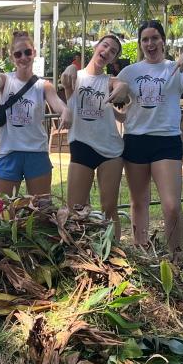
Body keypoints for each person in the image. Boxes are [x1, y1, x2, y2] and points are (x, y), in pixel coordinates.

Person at [118, 20, 183, 259]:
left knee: (171, 204)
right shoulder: (130, 72)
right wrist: (118, 104)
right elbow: (113, 91)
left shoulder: (175, 67)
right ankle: (142, 252)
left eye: (155, 38)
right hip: (135, 140)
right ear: (139, 44)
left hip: (166, 141)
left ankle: (176, 254)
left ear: (163, 41)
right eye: (145, 39)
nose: (150, 43)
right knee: (139, 203)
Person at [0, 30, 67, 197]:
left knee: (41, 208)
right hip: (9, 152)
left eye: (27, 52)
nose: (23, 57)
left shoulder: (44, 85)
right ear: (12, 57)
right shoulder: (6, 80)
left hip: (36, 152)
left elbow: (58, 104)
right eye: (18, 54)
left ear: (34, 53)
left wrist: (65, 112)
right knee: (5, 210)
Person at [61, 35, 127, 232]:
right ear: (96, 47)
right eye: (105, 46)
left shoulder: (110, 81)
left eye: (113, 51)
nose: (107, 51)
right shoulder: (75, 76)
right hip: (82, 145)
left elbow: (120, 87)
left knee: (109, 208)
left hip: (111, 150)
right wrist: (71, 67)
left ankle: (115, 254)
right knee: (76, 210)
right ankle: (78, 256)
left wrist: (122, 86)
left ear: (113, 59)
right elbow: (66, 79)